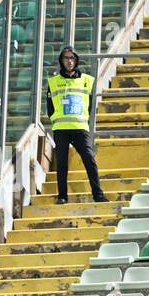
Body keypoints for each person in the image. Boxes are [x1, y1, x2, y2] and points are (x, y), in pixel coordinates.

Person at [46, 46, 107, 204]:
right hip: (61, 129)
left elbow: (90, 104)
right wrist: (55, 118)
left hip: (80, 128)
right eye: (66, 58)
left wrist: (83, 119)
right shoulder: (53, 82)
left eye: (72, 58)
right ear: (61, 61)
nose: (69, 61)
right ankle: (62, 196)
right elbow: (49, 106)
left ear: (76, 60)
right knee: (62, 164)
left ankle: (98, 194)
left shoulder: (86, 80)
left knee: (89, 159)